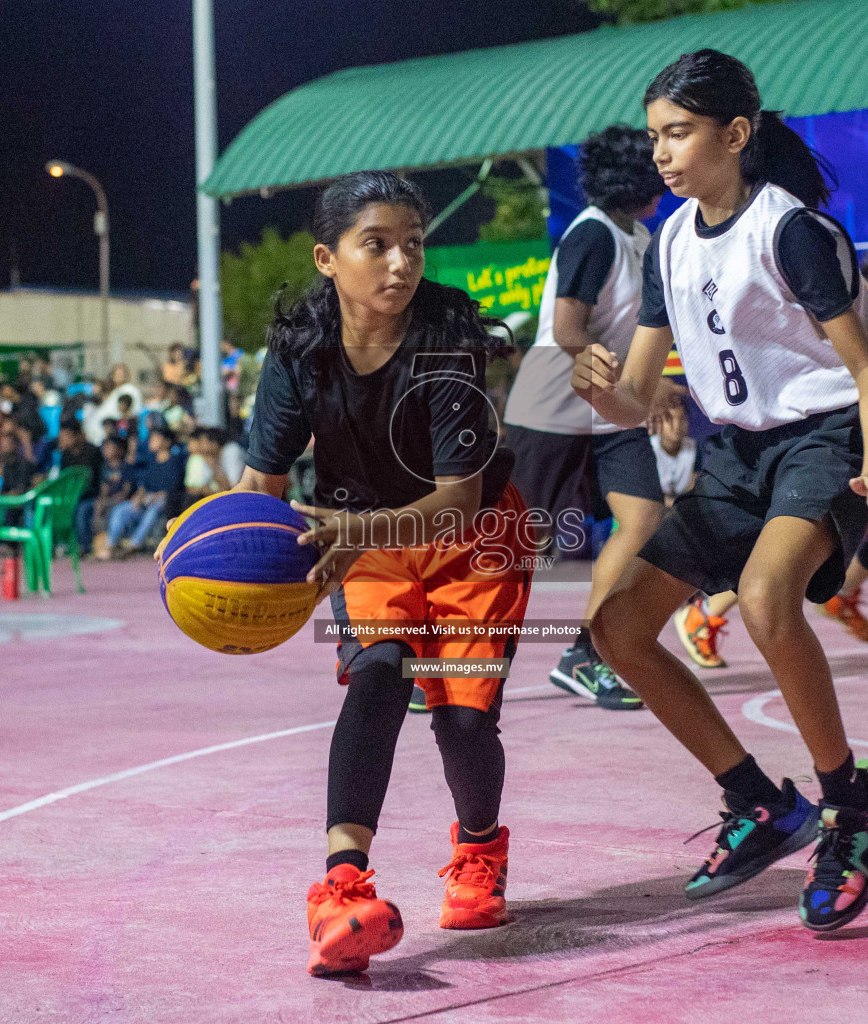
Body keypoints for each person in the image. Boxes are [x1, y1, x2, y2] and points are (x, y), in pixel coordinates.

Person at [572, 50, 868, 930]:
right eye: (654, 135)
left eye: (678, 132)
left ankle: (850, 806)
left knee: (767, 601)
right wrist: (597, 382)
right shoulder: (671, 245)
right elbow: (639, 393)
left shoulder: (791, 230)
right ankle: (760, 802)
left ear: (735, 134)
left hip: (823, 438)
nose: (661, 151)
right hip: (739, 452)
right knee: (615, 627)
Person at [231, 171, 533, 976]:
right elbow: (262, 485)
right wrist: (214, 543)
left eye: (413, 244)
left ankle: (479, 850)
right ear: (329, 259)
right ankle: (341, 886)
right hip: (367, 541)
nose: (400, 262)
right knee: (379, 676)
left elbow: (459, 503)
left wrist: (353, 529)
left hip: (472, 539)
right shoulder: (300, 349)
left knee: (462, 721)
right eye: (378, 245)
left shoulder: (445, 337)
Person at [674, 247, 868, 662]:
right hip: (814, 449)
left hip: (853, 454)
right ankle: (704, 614)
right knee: (785, 557)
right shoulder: (851, 327)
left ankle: (839, 595)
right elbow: (841, 399)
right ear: (866, 284)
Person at [503, 125, 670, 711]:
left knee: (646, 519)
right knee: (514, 553)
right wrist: (612, 370)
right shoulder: (592, 235)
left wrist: (658, 387)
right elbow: (568, 327)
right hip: (552, 409)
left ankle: (587, 654)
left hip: (612, 410)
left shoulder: (644, 238)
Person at [105, 428, 183, 554]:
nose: (151, 441)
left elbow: (172, 490)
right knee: (120, 510)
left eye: (155, 438)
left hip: (162, 503)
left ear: (166, 442)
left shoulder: (174, 462)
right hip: (146, 501)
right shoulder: (151, 461)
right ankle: (111, 545)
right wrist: (138, 497)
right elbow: (143, 486)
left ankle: (135, 543)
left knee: (156, 505)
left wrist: (153, 496)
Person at [53, 419, 102, 553]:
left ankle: (83, 547)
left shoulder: (93, 452)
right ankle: (58, 545)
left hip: (90, 497)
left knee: (81, 511)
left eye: (66, 436)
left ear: (77, 435)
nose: (62, 439)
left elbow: (100, 479)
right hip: (69, 498)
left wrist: (100, 498)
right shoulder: (65, 455)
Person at [650, 392, 697, 507]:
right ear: (658, 422)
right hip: (655, 509)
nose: (676, 426)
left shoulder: (696, 449)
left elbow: (694, 489)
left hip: (683, 509)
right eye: (669, 419)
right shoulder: (647, 449)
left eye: (681, 419)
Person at [91, 436, 135, 560]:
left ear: (119, 450)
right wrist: (102, 501)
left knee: (112, 510)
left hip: (123, 501)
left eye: (110, 447)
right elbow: (104, 490)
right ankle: (98, 545)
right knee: (97, 507)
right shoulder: (105, 468)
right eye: (105, 447)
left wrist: (112, 501)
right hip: (109, 500)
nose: (106, 450)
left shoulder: (126, 467)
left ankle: (111, 546)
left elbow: (126, 491)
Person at [182, 427, 232, 504]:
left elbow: (226, 488)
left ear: (213, 444)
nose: (201, 445)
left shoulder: (223, 456)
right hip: (200, 499)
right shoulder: (195, 459)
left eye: (203, 442)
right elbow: (190, 487)